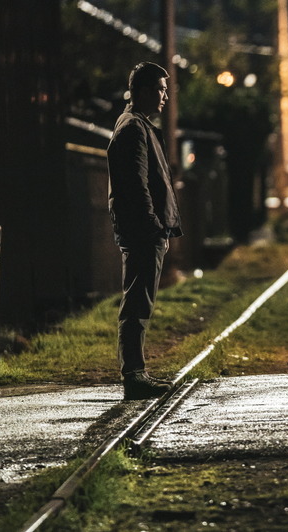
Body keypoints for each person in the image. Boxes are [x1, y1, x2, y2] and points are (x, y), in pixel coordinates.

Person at [107, 62, 183, 399]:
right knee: (138, 301)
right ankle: (134, 376)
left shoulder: (138, 126)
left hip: (146, 230)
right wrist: (155, 228)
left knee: (141, 301)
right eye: (160, 89)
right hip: (142, 231)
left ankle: (137, 372)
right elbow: (137, 186)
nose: (165, 96)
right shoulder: (133, 129)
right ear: (142, 90)